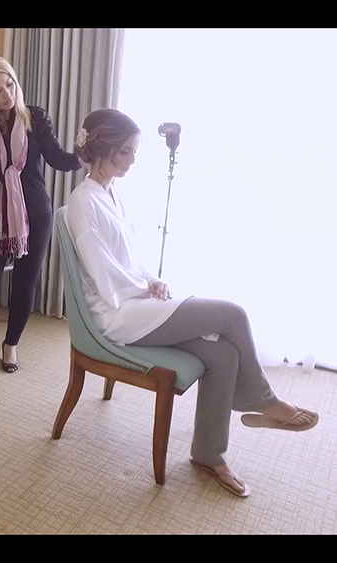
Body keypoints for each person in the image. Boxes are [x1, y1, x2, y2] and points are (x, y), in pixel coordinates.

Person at [64, 107, 319, 498]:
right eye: (128, 152)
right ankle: (264, 402)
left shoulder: (112, 193)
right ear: (107, 149)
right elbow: (103, 274)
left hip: (136, 299)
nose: (134, 160)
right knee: (233, 314)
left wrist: (151, 279)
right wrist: (141, 288)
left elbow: (128, 258)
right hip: (118, 313)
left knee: (224, 357)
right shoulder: (83, 202)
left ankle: (208, 454)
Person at [0, 55, 82, 387]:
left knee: (26, 284)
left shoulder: (35, 117)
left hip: (37, 213)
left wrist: (86, 152)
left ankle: (11, 345)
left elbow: (58, 158)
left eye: (9, 84)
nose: (7, 95)